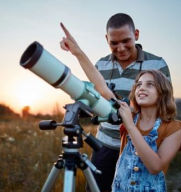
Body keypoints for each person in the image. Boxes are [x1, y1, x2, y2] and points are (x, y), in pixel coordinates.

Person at [60, 13, 172, 192]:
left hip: (139, 148)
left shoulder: (157, 64)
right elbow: (95, 98)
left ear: (136, 34)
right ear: (106, 39)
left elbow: (167, 107)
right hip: (104, 145)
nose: (120, 48)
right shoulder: (100, 65)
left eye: (126, 41)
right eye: (114, 43)